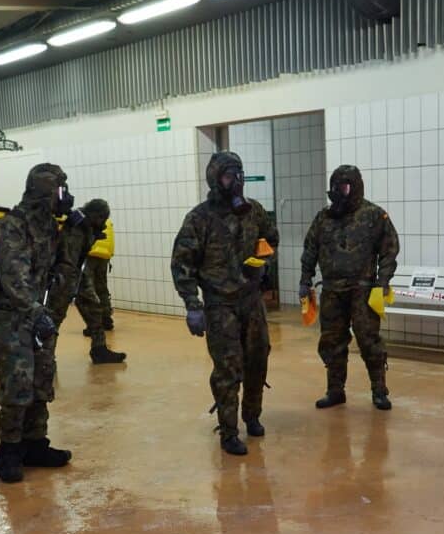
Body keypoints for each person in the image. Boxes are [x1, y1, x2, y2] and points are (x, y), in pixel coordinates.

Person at [171, 151, 279, 456]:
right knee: (228, 368)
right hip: (220, 305)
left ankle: (252, 415)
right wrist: (192, 304)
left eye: (240, 175)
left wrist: (264, 264)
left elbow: (271, 240)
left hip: (251, 300)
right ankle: (229, 431)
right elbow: (182, 263)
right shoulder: (200, 218)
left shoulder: (254, 211)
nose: (237, 182)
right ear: (216, 179)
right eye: (230, 176)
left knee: (258, 359)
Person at [0, 163, 75, 483]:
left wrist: (80, 233)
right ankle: (8, 450)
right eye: (60, 191)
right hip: (11, 320)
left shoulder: (49, 227)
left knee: (41, 379)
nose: (65, 198)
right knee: (17, 385)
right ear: (43, 192)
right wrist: (36, 312)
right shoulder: (11, 227)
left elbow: (61, 270)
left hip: (37, 317)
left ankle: (35, 443)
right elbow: (14, 278)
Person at [299, 165, 400, 411]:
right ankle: (335, 391)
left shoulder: (374, 215)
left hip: (363, 290)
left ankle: (379, 391)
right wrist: (305, 280)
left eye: (343, 187)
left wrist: (382, 282)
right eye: (335, 187)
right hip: (332, 290)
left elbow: (389, 250)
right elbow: (310, 249)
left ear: (355, 187)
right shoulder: (324, 218)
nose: (338, 192)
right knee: (332, 342)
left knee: (368, 341)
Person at [52, 198, 126, 364]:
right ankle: (45, 356)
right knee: (55, 316)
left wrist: (93, 235)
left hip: (77, 274)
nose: (103, 223)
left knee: (94, 308)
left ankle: (99, 350)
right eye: (102, 218)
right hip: (63, 277)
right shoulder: (76, 227)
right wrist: (68, 289)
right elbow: (68, 259)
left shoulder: (86, 224)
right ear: (94, 215)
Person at [80, 208, 115, 335]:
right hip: (104, 258)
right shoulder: (107, 221)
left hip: (90, 256)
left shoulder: (89, 221)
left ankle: (94, 325)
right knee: (102, 288)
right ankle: (107, 320)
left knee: (89, 290)